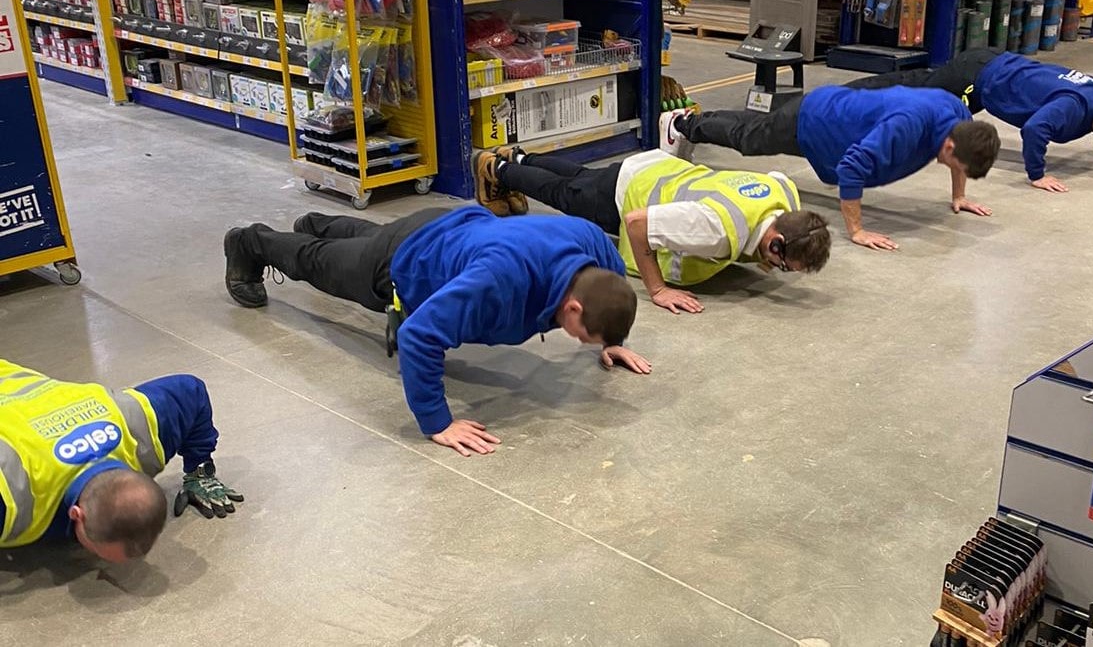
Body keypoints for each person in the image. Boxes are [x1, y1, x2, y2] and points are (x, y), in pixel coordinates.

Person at [223, 205, 649, 457]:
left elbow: (611, 285)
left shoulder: (594, 250)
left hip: (451, 228)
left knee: (371, 240)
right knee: (320, 264)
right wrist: (437, 422)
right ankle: (249, 242)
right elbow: (419, 335)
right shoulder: (500, 277)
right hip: (403, 265)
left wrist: (612, 340)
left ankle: (317, 222)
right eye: (582, 334)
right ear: (573, 306)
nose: (578, 341)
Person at [474, 147, 832, 314]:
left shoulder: (784, 196)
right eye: (784, 265)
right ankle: (496, 170)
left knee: (580, 176)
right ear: (777, 242)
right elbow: (636, 223)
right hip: (630, 195)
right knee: (565, 194)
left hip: (661, 167)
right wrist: (658, 289)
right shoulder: (716, 230)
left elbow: (777, 177)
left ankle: (518, 157)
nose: (780, 271)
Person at [660, 85, 1001, 251]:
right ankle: (684, 123)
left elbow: (961, 157)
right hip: (817, 121)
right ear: (950, 145)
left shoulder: (959, 119)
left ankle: (697, 122)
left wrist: (960, 195)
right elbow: (851, 168)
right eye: (955, 164)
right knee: (750, 138)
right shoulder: (907, 126)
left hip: (839, 111)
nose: (952, 167)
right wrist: (856, 231)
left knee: (757, 128)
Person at [0, 359, 242, 561]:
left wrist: (199, 473)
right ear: (76, 514)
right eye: (97, 552)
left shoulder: (143, 435)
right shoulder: (11, 493)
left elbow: (191, 391)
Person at [843, 48, 1093, 192]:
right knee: (913, 96)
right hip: (974, 77)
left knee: (925, 92)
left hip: (992, 68)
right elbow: (1035, 129)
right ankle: (847, 100)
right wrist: (1037, 174)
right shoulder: (1070, 107)